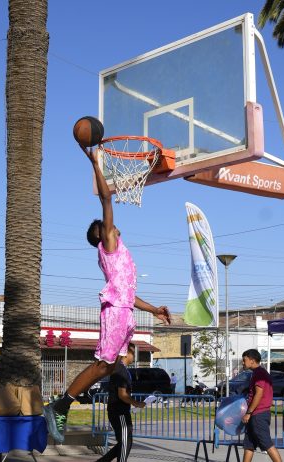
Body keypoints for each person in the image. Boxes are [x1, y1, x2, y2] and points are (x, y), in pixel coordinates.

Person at [44, 144, 172, 443]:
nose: (113, 226)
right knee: (104, 363)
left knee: (114, 364)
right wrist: (96, 165)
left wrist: (153, 310)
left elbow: (129, 294)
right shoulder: (110, 247)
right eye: (108, 226)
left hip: (124, 310)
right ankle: (60, 406)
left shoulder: (121, 253)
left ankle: (71, 403)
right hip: (116, 312)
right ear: (102, 235)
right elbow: (106, 197)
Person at [96, 343, 144, 462]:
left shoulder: (121, 369)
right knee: (125, 442)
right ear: (127, 354)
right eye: (133, 353)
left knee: (125, 442)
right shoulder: (120, 371)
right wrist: (136, 403)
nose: (134, 357)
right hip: (119, 412)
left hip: (120, 411)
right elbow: (122, 395)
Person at [240, 349, 282, 462]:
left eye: (244, 360)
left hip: (258, 414)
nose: (243, 363)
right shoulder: (258, 373)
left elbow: (259, 394)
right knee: (249, 445)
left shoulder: (259, 374)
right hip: (255, 414)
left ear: (252, 360)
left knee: (267, 443)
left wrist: (248, 413)